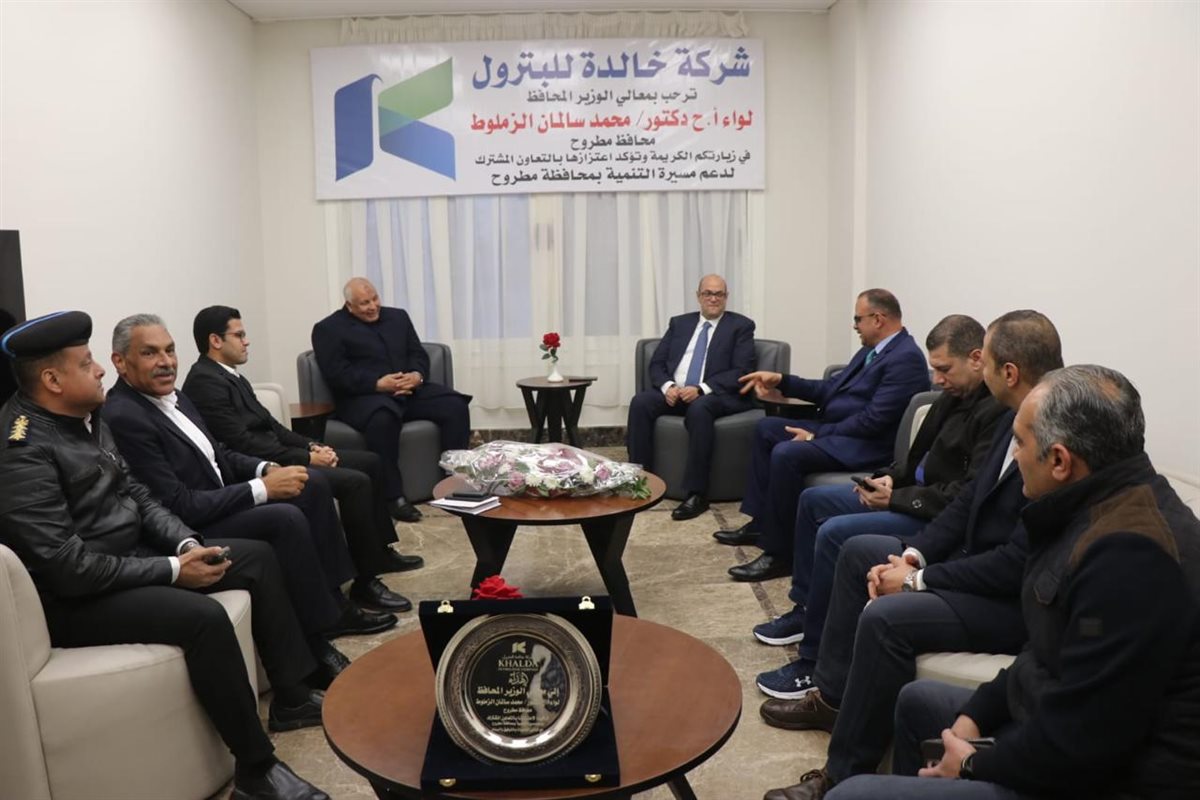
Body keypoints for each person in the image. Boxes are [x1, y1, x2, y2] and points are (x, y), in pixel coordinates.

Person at [825, 365, 1200, 800]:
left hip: (1110, 779)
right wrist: (977, 714)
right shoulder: (1094, 504)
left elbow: (1083, 743)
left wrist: (971, 763)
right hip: (1057, 726)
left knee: (850, 796)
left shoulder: (1131, 558)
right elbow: (1045, 648)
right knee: (917, 703)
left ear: (1059, 460)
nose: (1014, 456)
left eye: (1020, 443)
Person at [0, 311, 330, 800]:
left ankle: (292, 696)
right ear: (52, 380)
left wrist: (185, 544)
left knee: (254, 558)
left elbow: (137, 493)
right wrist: (173, 571)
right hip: (78, 598)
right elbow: (68, 567)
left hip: (128, 557)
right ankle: (257, 769)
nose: (99, 369)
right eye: (87, 363)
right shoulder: (22, 449)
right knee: (203, 619)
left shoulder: (85, 417)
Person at [761, 310, 1064, 800]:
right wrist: (915, 557)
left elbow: (1014, 562)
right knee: (860, 551)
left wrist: (917, 581)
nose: (977, 370)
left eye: (985, 361)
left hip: (1012, 600)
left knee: (888, 618)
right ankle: (832, 697)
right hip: (972, 563)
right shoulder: (1017, 418)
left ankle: (840, 775)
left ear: (1007, 371)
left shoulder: (1050, 437)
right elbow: (967, 502)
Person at [102, 314, 397, 653]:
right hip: (195, 523)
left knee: (311, 484)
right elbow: (178, 504)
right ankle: (320, 629)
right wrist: (263, 489)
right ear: (120, 362)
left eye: (170, 350)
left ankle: (337, 598)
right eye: (150, 353)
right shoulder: (125, 415)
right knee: (285, 518)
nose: (166, 362)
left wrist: (266, 468)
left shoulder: (176, 397)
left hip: (219, 499)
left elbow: (220, 453)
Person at [752, 315, 1006, 672]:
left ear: (976, 359)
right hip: (908, 493)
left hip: (929, 513)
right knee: (812, 501)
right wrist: (887, 479)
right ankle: (806, 609)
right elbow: (914, 458)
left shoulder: (995, 411)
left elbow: (964, 496)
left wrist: (896, 498)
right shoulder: (953, 394)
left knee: (834, 533)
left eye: (944, 369)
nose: (936, 379)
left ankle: (813, 658)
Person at [183, 305, 421, 612]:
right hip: (261, 468)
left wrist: (313, 446)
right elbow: (242, 443)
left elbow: (273, 427)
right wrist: (306, 458)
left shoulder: (231, 376)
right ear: (215, 341)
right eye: (239, 335)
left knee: (370, 462)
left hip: (280, 454)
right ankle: (365, 582)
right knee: (355, 482)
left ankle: (379, 552)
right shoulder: (204, 382)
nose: (246, 341)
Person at [719, 289, 930, 582]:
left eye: (858, 319)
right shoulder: (872, 350)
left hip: (866, 445)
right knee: (767, 429)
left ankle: (779, 554)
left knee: (787, 452)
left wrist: (814, 436)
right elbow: (829, 389)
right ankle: (761, 523)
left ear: (878, 319)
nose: (854, 325)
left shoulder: (906, 358)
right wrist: (782, 380)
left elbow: (874, 421)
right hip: (841, 432)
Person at [311, 277, 471, 523]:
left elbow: (418, 354)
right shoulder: (328, 329)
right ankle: (393, 497)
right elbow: (337, 374)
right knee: (383, 420)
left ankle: (454, 482)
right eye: (364, 303)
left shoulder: (398, 317)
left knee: (455, 406)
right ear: (349, 305)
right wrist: (377, 383)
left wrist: (416, 377)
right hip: (364, 397)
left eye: (375, 299)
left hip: (408, 392)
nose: (373, 306)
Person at [626, 274, 757, 520]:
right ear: (698, 296)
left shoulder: (741, 326)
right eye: (708, 293)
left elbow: (742, 371)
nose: (713, 298)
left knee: (700, 408)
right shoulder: (680, 323)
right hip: (676, 392)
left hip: (716, 395)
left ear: (726, 297)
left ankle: (697, 493)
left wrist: (701, 388)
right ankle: (640, 479)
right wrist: (668, 387)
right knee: (641, 402)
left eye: (719, 294)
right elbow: (657, 363)